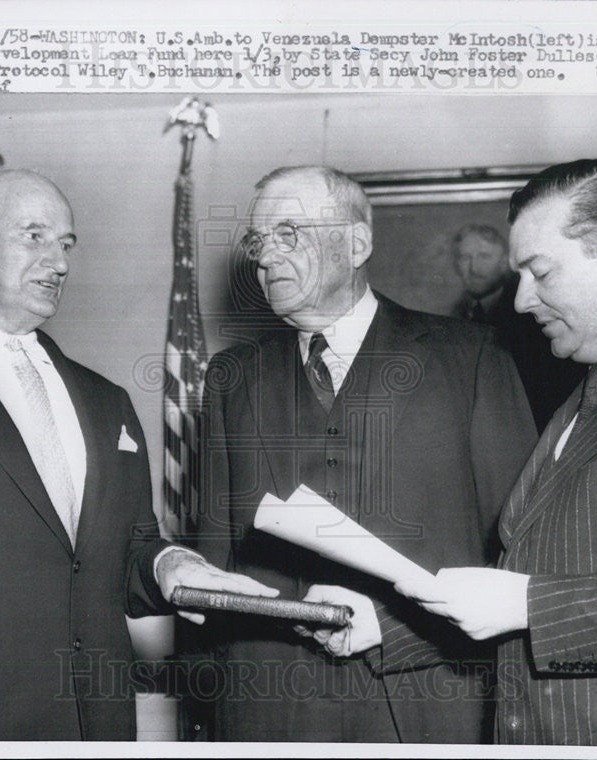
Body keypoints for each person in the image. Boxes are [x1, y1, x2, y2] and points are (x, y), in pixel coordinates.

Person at [0, 167, 275, 740]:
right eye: (33, 236)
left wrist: (166, 564)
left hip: (96, 726)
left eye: (66, 244)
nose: (59, 263)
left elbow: (123, 551)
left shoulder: (105, 400)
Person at [190, 166, 537, 742]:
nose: (266, 258)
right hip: (268, 715)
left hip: (428, 706)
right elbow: (214, 559)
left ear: (356, 243)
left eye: (289, 232)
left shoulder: (473, 358)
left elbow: (517, 552)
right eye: (259, 240)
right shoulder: (232, 377)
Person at [396, 160, 597, 747]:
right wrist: (380, 628)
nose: (522, 300)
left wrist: (530, 603)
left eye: (540, 273)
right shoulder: (587, 392)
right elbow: (526, 586)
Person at [451, 223, 585, 433]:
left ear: (505, 263)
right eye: (464, 257)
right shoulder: (461, 315)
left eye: (484, 256)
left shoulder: (529, 315)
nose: (473, 267)